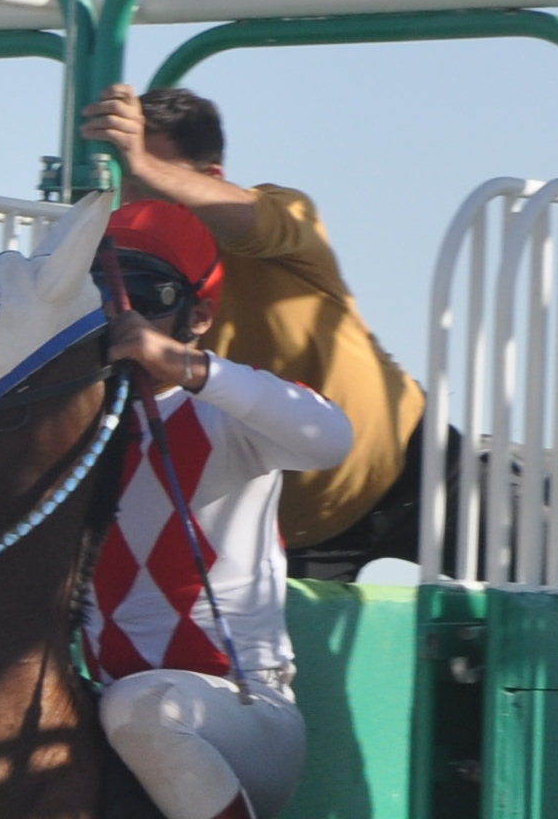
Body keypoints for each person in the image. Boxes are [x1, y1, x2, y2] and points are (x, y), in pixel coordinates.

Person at [89, 198, 356, 819]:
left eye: (149, 294)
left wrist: (186, 366)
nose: (120, 312)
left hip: (243, 727)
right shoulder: (66, 428)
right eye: (100, 291)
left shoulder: (227, 419)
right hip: (113, 725)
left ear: (199, 311)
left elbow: (328, 435)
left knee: (139, 711)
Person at [77, 83, 422, 572]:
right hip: (296, 532)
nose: (136, 205)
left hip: (414, 464)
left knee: (550, 575)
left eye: (152, 183)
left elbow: (246, 219)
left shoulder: (283, 215)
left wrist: (145, 165)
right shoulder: (119, 274)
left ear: (212, 176)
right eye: (128, 184)